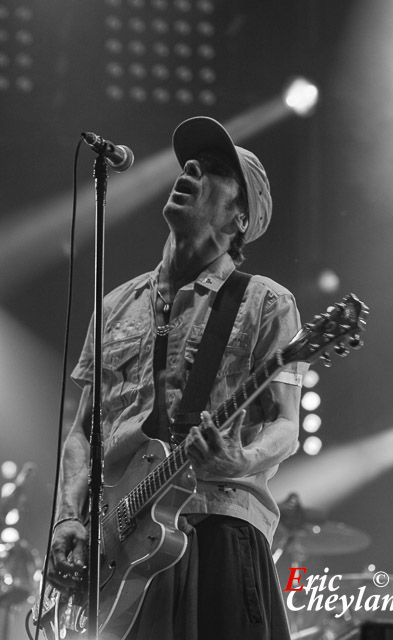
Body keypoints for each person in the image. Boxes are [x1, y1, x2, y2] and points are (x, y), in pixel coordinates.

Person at [47, 116, 308, 640]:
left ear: (240, 217)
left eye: (213, 170)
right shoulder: (116, 305)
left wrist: (244, 458)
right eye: (191, 162)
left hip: (217, 524)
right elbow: (82, 431)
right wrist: (68, 517)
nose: (190, 168)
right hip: (115, 544)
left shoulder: (265, 302)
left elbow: (286, 423)